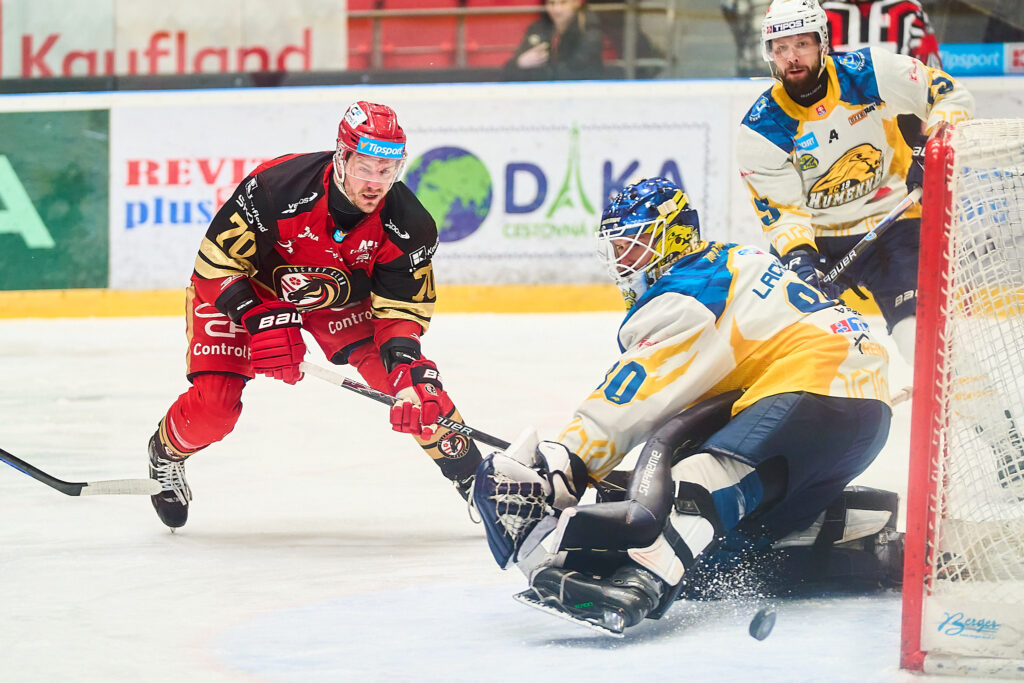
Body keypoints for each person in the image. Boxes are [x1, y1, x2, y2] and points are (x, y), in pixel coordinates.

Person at [472, 177, 895, 633]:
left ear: (672, 237)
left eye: (633, 248)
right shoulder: (735, 259)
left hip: (812, 391)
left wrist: (566, 467)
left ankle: (639, 585)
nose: (623, 263)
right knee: (728, 545)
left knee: (697, 480)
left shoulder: (690, 290)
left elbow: (635, 393)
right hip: (859, 411)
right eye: (616, 250)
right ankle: (865, 543)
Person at [147, 101, 482, 529]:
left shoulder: (408, 223)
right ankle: (165, 453)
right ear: (341, 156)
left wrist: (403, 365)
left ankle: (479, 483)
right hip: (250, 290)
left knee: (413, 388)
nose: (375, 183)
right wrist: (257, 318)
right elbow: (216, 265)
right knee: (215, 408)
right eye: (365, 167)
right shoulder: (276, 188)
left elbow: (399, 311)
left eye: (386, 170)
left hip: (338, 301)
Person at [737, 0, 974, 365]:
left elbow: (949, 94)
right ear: (770, 54)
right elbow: (783, 214)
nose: (792, 57)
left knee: (923, 342)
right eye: (781, 48)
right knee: (781, 352)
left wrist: (933, 148)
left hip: (894, 218)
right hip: (817, 237)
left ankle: (970, 397)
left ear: (823, 42)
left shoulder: (868, 72)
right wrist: (799, 258)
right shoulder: (761, 129)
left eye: (802, 44)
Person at [504, 0, 606, 81]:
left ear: (576, 3)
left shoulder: (588, 29)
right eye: (551, 3)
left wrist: (536, 72)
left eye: (563, 2)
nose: (557, 9)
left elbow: (576, 70)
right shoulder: (538, 28)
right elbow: (506, 73)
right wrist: (520, 63)